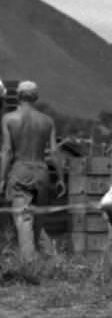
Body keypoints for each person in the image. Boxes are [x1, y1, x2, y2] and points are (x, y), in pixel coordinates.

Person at [0, 80, 63, 263]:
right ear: (36, 97)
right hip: (42, 172)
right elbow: (53, 152)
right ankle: (52, 262)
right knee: (38, 220)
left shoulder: (9, 119)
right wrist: (60, 178)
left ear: (18, 96)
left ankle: (29, 266)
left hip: (20, 170)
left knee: (23, 221)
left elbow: (7, 151)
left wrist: (2, 179)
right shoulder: (47, 121)